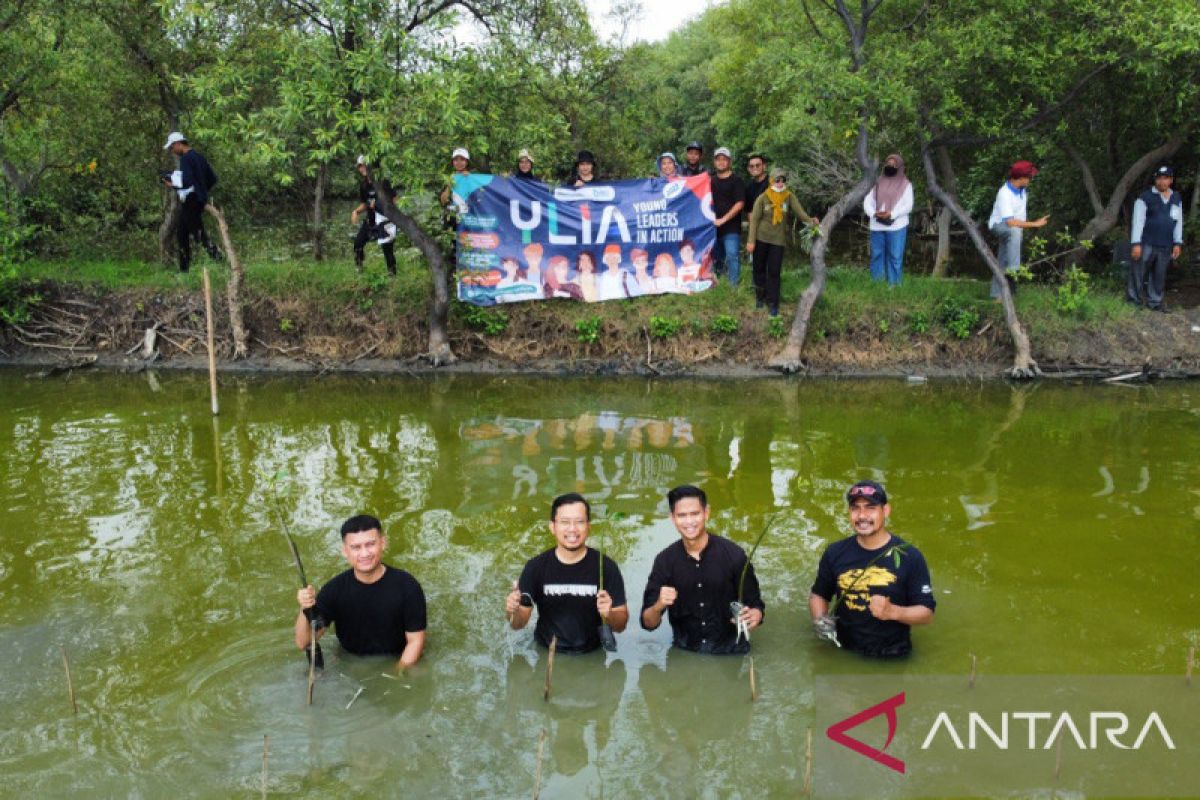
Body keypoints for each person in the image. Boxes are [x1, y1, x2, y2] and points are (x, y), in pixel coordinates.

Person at [808, 480, 935, 658]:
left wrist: (893, 612)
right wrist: (820, 621)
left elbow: (926, 614)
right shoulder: (834, 552)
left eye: (870, 507)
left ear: (886, 511)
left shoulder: (910, 556)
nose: (862, 515)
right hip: (843, 649)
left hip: (893, 653)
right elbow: (819, 595)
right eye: (855, 508)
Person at [641, 485, 765, 654]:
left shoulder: (735, 556)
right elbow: (648, 623)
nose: (689, 522)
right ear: (672, 518)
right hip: (685, 652)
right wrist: (658, 606)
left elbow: (756, 606)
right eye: (681, 515)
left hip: (730, 652)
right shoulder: (664, 561)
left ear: (706, 513)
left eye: (695, 514)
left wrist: (755, 615)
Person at [295, 514, 427, 668]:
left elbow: (416, 641)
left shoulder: (408, 586)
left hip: (398, 658)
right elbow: (303, 643)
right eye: (356, 547)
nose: (364, 554)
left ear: (383, 543)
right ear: (345, 551)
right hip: (350, 660)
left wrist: (399, 673)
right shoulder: (334, 590)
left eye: (370, 544)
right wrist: (305, 607)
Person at [505, 493, 629, 654]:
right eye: (565, 522)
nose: (572, 529)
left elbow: (621, 626)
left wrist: (609, 613)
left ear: (588, 526)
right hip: (547, 650)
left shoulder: (606, 567)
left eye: (579, 522)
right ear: (553, 527)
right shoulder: (535, 567)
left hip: (592, 652)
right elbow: (517, 625)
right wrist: (512, 610)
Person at [747, 167, 820, 316]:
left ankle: (773, 303)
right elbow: (754, 220)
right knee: (759, 269)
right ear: (771, 181)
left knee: (774, 272)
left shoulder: (789, 197)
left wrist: (811, 221)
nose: (780, 183)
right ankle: (760, 298)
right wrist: (750, 241)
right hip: (761, 239)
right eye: (777, 180)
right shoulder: (763, 198)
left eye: (783, 180)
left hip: (778, 241)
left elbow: (800, 213)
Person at [987, 160, 1048, 299]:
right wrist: (1035, 224)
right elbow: (1010, 222)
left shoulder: (1022, 191)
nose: (1031, 179)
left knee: (1003, 258)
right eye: (1029, 177)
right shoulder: (1004, 194)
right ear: (1021, 178)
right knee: (1014, 231)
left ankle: (997, 295)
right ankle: (1014, 271)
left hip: (1013, 229)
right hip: (998, 225)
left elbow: (1018, 220)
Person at [162, 132, 221, 273]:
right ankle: (184, 270)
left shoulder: (186, 159)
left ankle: (218, 258)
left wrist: (173, 185)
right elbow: (212, 178)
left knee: (199, 235)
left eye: (172, 147)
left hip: (191, 201)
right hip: (198, 199)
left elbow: (187, 181)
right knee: (182, 234)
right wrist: (202, 191)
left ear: (178, 144)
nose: (172, 151)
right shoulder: (199, 157)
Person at [1129, 165, 1184, 312]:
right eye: (1159, 178)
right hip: (1146, 242)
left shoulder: (1176, 198)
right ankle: (1134, 301)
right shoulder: (1145, 198)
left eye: (1165, 178)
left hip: (1166, 244)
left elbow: (1178, 222)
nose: (1162, 182)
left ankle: (1155, 302)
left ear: (1171, 180)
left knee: (1159, 275)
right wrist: (1136, 243)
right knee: (1138, 271)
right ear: (1155, 180)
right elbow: (1138, 221)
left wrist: (1178, 242)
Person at [862, 154, 914, 285]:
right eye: (888, 163)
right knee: (877, 256)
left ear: (900, 167)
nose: (890, 166)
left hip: (897, 226)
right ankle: (877, 285)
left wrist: (891, 214)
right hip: (877, 225)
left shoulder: (906, 185)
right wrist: (874, 213)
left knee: (895, 257)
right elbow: (868, 201)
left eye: (894, 164)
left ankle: (894, 286)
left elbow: (908, 206)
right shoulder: (878, 182)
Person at [351, 156, 398, 275]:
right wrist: (356, 211)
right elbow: (364, 203)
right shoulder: (363, 185)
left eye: (364, 165)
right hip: (371, 220)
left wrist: (379, 205)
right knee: (358, 244)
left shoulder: (383, 182)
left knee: (387, 250)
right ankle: (359, 270)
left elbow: (395, 200)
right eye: (360, 166)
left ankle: (392, 274)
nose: (363, 168)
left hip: (384, 220)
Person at [710, 147, 746, 285]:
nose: (721, 162)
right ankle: (718, 284)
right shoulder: (710, 181)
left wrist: (723, 220)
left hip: (731, 228)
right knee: (717, 257)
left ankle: (733, 287)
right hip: (713, 228)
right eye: (718, 159)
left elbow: (740, 204)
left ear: (729, 162)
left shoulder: (737, 180)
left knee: (732, 256)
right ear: (714, 162)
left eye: (724, 159)